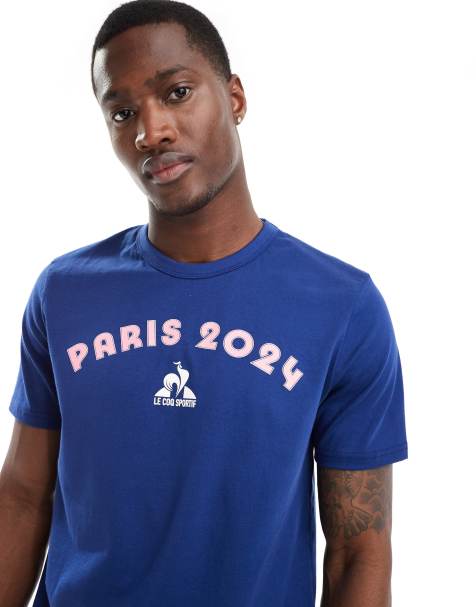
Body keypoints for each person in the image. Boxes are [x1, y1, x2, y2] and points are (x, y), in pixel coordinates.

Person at [0, 1, 408, 605]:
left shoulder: (342, 307)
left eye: (178, 92)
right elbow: (22, 498)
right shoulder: (64, 293)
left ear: (235, 97)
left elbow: (358, 550)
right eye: (122, 112)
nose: (151, 131)